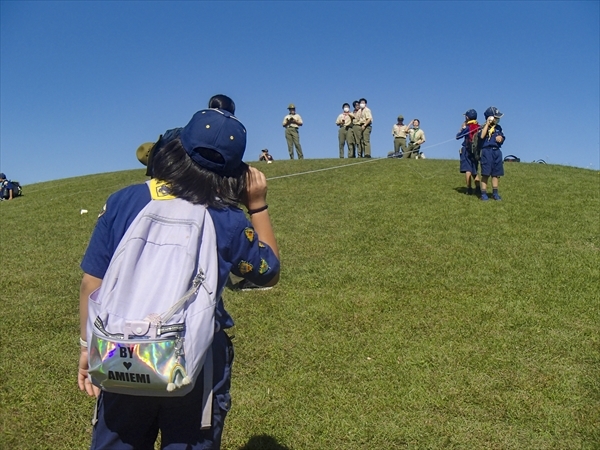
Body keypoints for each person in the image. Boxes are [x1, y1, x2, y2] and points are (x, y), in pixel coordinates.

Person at [78, 106, 281, 449]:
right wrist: (257, 205)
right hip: (194, 359)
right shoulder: (227, 219)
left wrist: (88, 346)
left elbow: (91, 283)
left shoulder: (125, 200)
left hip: (120, 349)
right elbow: (268, 272)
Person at [479, 106, 505, 201]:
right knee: (485, 173)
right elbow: (482, 136)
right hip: (487, 151)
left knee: (496, 174)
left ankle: (495, 193)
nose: (497, 120)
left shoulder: (498, 128)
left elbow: (502, 137)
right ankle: (484, 193)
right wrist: (487, 124)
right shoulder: (483, 127)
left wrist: (500, 139)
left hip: (496, 151)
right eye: (496, 118)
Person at [456, 109, 481, 195]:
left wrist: (462, 128)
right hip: (476, 151)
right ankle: (478, 188)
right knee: (475, 170)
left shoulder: (467, 127)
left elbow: (458, 136)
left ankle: (469, 188)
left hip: (467, 150)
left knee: (468, 169)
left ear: (467, 117)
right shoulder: (479, 127)